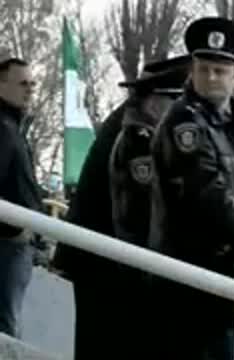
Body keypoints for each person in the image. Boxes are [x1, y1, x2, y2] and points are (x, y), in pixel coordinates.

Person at [51, 56, 189, 359]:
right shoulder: (136, 139)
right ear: (158, 102)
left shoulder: (131, 124)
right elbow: (138, 217)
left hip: (101, 264)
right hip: (110, 270)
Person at [148, 17, 234, 360]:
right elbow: (205, 190)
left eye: (220, 70)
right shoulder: (185, 122)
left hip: (220, 270)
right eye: (203, 69)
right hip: (187, 271)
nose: (211, 77)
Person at [0, 55, 39, 338]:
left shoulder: (13, 127)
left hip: (15, 246)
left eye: (33, 84)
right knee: (5, 327)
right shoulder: (3, 129)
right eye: (23, 84)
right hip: (7, 246)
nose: (30, 90)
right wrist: (16, 230)